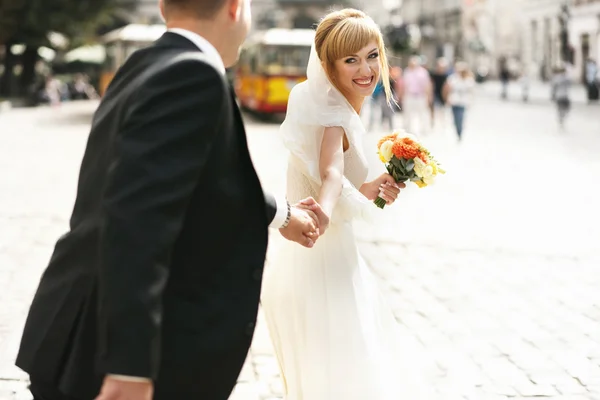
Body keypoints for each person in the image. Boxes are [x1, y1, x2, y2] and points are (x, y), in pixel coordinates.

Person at [15, 0, 326, 399]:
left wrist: (284, 214)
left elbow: (203, 180)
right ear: (235, 8)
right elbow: (136, 220)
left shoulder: (147, 62)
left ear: (163, 7)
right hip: (115, 356)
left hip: (79, 325)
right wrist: (128, 366)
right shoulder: (193, 74)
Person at [261, 9, 433, 399]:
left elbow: (342, 183)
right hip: (327, 261)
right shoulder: (334, 115)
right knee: (348, 363)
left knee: (336, 364)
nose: (366, 69)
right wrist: (322, 208)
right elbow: (331, 174)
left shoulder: (323, 105)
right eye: (351, 60)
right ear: (329, 66)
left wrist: (373, 187)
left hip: (316, 258)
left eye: (372, 56)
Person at [398, 55, 432, 136]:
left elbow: (427, 85)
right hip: (409, 95)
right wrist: (401, 95)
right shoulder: (407, 71)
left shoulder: (423, 72)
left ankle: (424, 129)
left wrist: (428, 96)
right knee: (407, 113)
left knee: (422, 113)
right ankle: (407, 129)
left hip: (420, 96)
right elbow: (404, 84)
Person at [444, 61, 475, 141]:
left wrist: (471, 101)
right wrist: (447, 98)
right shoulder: (453, 78)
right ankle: (457, 130)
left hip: (463, 102)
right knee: (455, 118)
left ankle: (460, 132)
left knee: (460, 117)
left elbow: (471, 92)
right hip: (454, 101)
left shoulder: (468, 79)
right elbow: (447, 89)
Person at [551, 65, 571, 129]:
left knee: (560, 109)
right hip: (565, 96)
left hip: (558, 96)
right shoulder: (567, 78)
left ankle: (561, 117)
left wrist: (552, 96)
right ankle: (562, 117)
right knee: (566, 108)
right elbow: (570, 85)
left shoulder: (556, 79)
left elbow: (553, 88)